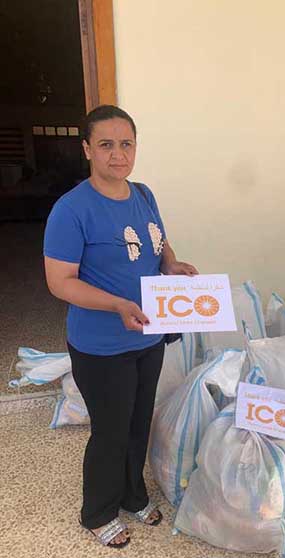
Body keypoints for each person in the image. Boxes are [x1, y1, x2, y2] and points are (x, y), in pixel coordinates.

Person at [43, 105, 198, 548]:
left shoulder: (143, 194)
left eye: (126, 144)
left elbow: (158, 241)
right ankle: (97, 512)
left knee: (138, 422)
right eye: (106, 145)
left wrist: (171, 264)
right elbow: (59, 282)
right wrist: (116, 304)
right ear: (87, 149)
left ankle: (133, 494)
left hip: (149, 333)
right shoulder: (71, 209)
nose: (118, 154)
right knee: (111, 431)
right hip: (101, 345)